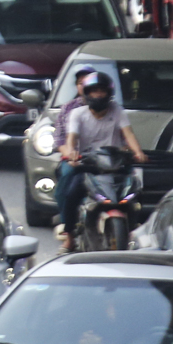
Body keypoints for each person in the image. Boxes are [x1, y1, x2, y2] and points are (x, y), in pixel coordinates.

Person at [58, 70, 147, 251]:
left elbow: (128, 134)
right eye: (94, 91)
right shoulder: (77, 114)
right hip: (88, 164)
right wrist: (73, 153)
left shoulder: (117, 111)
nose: (98, 95)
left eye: (102, 91)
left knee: (137, 190)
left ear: (109, 93)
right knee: (71, 194)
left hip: (115, 163)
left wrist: (138, 153)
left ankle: (136, 227)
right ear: (87, 93)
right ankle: (70, 236)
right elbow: (71, 138)